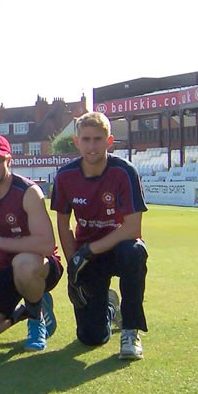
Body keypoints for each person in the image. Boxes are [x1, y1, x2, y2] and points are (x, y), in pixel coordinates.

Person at [50, 111, 148, 360]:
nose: (92, 146)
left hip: (117, 248)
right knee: (91, 337)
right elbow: (63, 223)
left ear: (109, 141)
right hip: (88, 255)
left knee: (134, 251)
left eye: (97, 139)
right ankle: (108, 306)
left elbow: (132, 228)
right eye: (86, 139)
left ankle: (130, 330)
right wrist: (74, 262)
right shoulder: (65, 176)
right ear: (76, 142)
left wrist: (89, 250)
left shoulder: (124, 172)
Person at [0, 134, 61, 351]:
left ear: (9, 160)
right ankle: (24, 312)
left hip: (40, 268)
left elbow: (46, 244)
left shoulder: (27, 191)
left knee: (23, 264)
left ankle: (36, 320)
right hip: (5, 270)